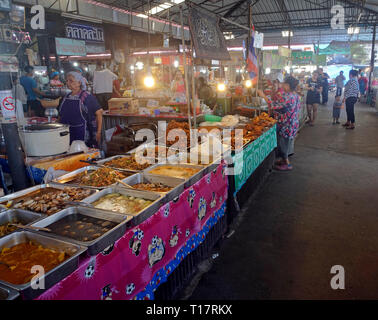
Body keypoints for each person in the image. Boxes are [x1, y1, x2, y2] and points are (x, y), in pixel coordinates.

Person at [258, 76, 300, 171]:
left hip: (286, 125)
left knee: (282, 143)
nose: (282, 85)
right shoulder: (295, 95)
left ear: (288, 85)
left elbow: (273, 105)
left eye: (284, 84)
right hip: (292, 123)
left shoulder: (287, 96)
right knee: (284, 142)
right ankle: (283, 159)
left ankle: (287, 164)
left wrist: (263, 95)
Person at [59, 71, 103, 147]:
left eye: (71, 81)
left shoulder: (86, 96)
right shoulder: (66, 97)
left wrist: (98, 132)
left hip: (82, 133)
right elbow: (61, 115)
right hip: (67, 133)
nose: (68, 83)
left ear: (79, 83)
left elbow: (99, 113)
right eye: (67, 80)